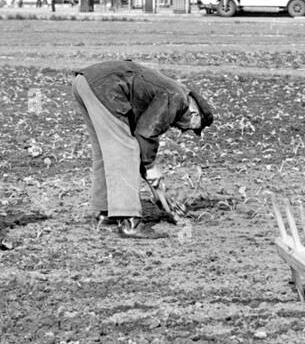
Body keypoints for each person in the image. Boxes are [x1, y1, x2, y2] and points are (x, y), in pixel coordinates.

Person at [71, 60, 215, 238]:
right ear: (195, 113)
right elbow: (146, 134)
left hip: (86, 82)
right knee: (126, 150)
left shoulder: (171, 92)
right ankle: (129, 222)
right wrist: (150, 167)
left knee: (106, 150)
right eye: (193, 127)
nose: (184, 130)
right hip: (105, 87)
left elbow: (140, 135)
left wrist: (151, 178)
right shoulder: (176, 97)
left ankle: (106, 213)